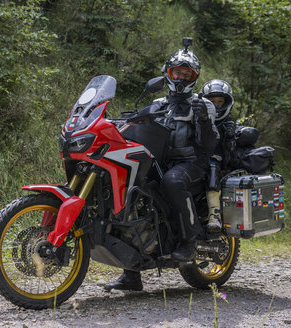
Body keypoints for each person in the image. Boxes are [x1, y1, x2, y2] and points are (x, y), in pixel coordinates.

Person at [104, 39, 218, 292]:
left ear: (194, 77)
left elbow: (209, 145)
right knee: (133, 194)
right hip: (159, 163)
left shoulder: (203, 104)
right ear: (168, 73)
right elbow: (131, 125)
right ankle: (132, 274)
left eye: (187, 73)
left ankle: (190, 240)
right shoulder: (157, 105)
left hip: (191, 164)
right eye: (177, 71)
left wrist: (204, 120)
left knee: (172, 181)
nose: (181, 76)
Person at [200, 79, 236, 233]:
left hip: (217, 159)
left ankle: (215, 214)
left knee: (212, 165)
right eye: (212, 101)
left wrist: (229, 134)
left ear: (226, 103)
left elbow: (229, 148)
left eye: (220, 102)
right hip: (196, 157)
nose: (216, 105)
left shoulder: (228, 124)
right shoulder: (199, 118)